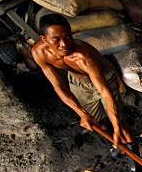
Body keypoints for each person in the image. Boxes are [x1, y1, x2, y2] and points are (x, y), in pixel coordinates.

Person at [31, 14, 133, 147]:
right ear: (43, 39)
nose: (64, 44)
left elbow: (104, 90)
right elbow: (59, 87)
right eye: (56, 39)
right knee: (94, 121)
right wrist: (82, 114)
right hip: (78, 80)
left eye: (68, 37)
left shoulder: (83, 56)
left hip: (103, 78)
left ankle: (132, 149)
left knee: (118, 120)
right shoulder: (39, 53)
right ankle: (114, 144)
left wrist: (117, 126)